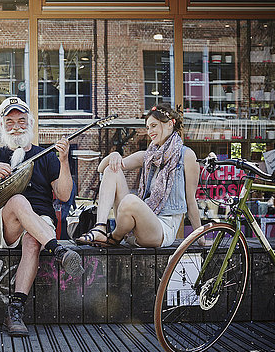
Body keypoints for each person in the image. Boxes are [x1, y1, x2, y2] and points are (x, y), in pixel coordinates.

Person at [0, 97, 83, 337]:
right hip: (6, 223)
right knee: (19, 201)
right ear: (2, 126)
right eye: (9, 122)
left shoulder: (47, 155)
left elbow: (63, 194)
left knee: (32, 240)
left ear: (30, 122)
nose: (16, 126)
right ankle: (57, 249)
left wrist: (63, 161)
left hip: (40, 223)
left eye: (21, 120)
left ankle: (15, 308)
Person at [76, 103, 202, 248]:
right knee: (113, 170)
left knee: (131, 200)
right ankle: (100, 228)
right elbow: (101, 168)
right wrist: (114, 155)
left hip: (161, 231)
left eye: (154, 126)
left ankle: (115, 236)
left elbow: (191, 201)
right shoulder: (147, 156)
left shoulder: (186, 155)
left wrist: (200, 238)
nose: (150, 131)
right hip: (135, 226)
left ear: (170, 124)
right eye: (148, 128)